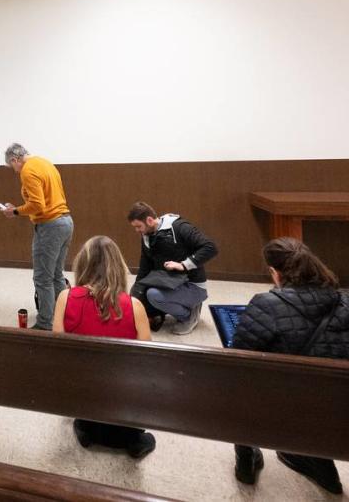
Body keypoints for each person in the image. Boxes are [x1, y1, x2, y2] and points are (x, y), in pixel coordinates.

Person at [231, 238, 347, 494]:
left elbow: (237, 362)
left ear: (276, 273)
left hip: (286, 409)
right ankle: (320, 465)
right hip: (338, 408)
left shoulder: (266, 304)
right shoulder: (345, 301)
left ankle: (245, 462)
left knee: (237, 387)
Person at [53, 235, 155, 459]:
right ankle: (129, 437)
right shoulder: (134, 306)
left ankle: (88, 427)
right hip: (123, 396)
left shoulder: (65, 298)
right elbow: (147, 360)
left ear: (83, 264)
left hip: (82, 391)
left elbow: (59, 350)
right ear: (118, 266)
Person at [1, 143, 73, 331]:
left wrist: (15, 211)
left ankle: (45, 323)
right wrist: (16, 207)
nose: (15, 171)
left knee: (42, 278)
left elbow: (38, 205)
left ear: (15, 159)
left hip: (50, 226)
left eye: (12, 166)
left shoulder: (27, 170)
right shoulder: (45, 163)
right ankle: (66, 316)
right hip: (65, 222)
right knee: (57, 274)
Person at [127, 201, 218, 335]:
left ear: (149, 220)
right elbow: (144, 268)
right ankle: (177, 305)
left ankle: (189, 315)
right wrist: (135, 297)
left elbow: (211, 247)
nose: (137, 230)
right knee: (137, 295)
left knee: (153, 295)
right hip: (169, 282)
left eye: (138, 226)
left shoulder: (180, 227)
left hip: (193, 285)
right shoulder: (146, 236)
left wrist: (184, 264)